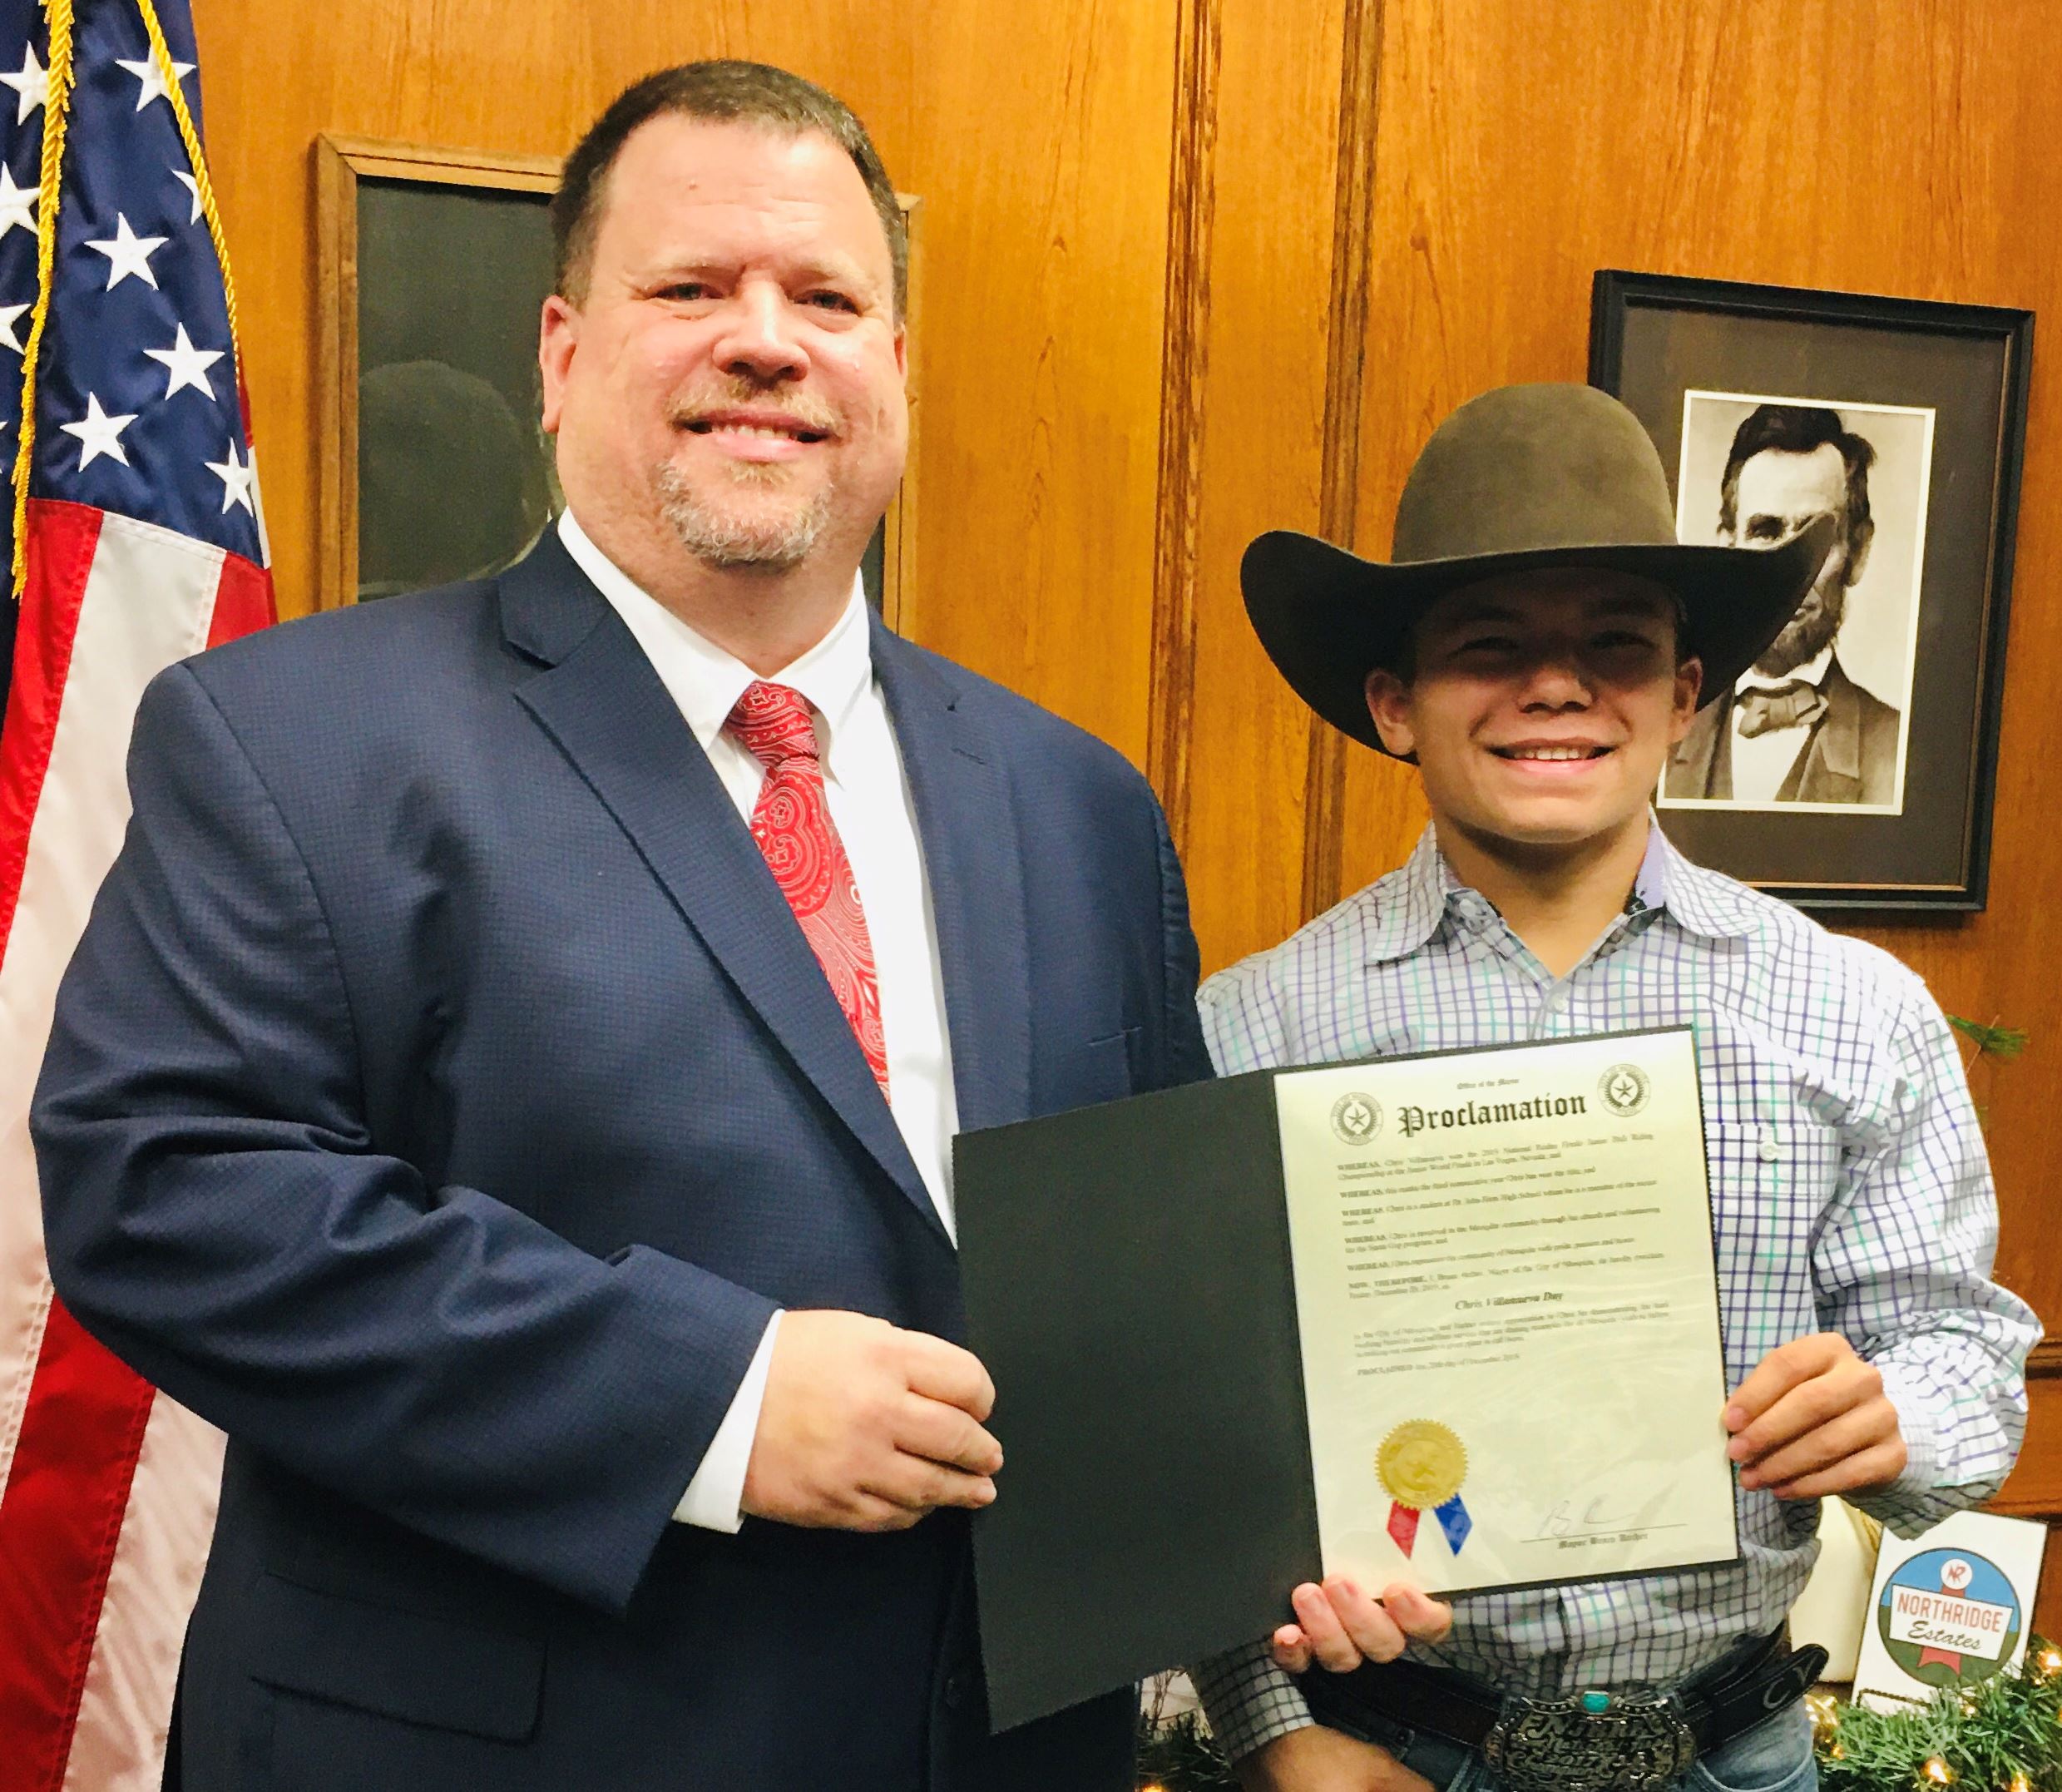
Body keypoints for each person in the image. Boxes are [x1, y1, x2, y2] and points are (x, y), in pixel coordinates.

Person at [32, 61, 1210, 1792]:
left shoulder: (1079, 801)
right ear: (564, 352)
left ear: (895, 366)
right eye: (691, 290)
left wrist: (1280, 1524)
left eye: (826, 297)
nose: (765, 341)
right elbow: (167, 1197)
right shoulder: (294, 739)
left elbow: (1158, 1266)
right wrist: (712, 1396)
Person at [1191, 384, 2037, 1792]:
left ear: (1681, 697)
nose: (1557, 684)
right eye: (1489, 647)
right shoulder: (1250, 1026)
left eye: (1613, 646)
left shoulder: (1855, 1012)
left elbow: (1961, 1360)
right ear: (1392, 704)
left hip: (1732, 1750)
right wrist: (1280, 1736)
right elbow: (1184, 1442)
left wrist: (1891, 1414)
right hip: (1389, 1751)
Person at [1666, 403, 1901, 804]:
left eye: (1818, 537)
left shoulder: (1894, 752)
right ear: (1728, 549)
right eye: (1765, 531)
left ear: (1858, 553)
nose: (1791, 570)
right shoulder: (1656, 737)